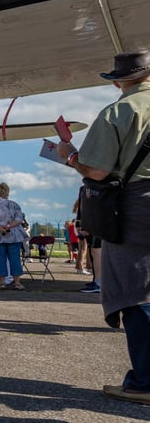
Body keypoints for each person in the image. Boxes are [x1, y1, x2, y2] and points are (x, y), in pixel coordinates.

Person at [57, 49, 150, 405]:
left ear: (119, 80)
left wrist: (69, 155)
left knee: (136, 290)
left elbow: (96, 170)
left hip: (139, 205)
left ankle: (144, 381)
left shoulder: (119, 111)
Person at [0, 182, 26, 290]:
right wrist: (8, 226)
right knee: (15, 259)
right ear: (7, 192)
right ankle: (17, 283)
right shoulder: (14, 204)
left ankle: (1, 282)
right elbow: (18, 219)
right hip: (14, 236)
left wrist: (0, 228)